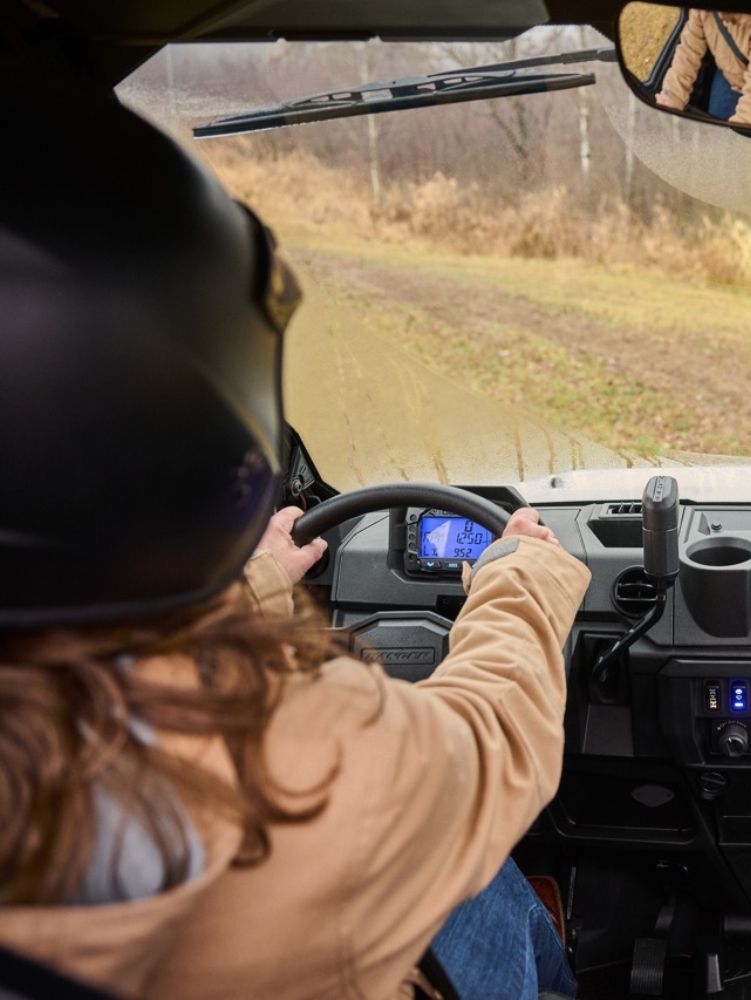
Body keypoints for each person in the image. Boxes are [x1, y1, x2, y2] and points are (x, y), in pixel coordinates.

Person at [0, 77, 589, 999]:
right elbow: (488, 746)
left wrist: (259, 583)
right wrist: (527, 577)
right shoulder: (287, 769)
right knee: (476, 882)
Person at [655, 9, 751, 126]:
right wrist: (671, 97)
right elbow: (688, 51)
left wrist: (736, 136)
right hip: (732, 79)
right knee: (711, 133)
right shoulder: (701, 10)